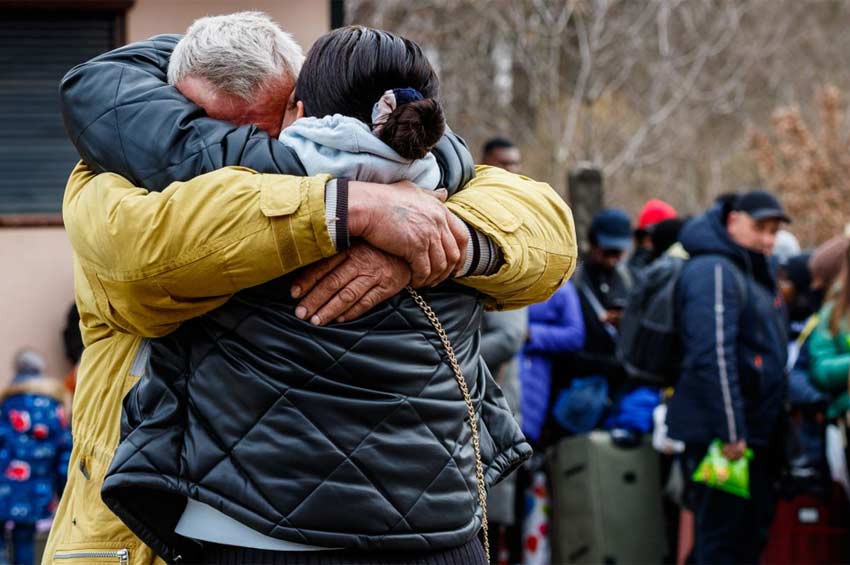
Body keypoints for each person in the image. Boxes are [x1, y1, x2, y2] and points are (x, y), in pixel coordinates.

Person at [48, 15, 577, 565]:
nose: (266, 148)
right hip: (147, 534)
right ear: (177, 112)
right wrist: (349, 210)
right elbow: (141, 267)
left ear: (303, 104)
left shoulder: (410, 174)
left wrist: (436, 244)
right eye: (225, 131)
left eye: (274, 122)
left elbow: (551, 237)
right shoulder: (115, 180)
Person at [667, 190, 790, 564]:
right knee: (722, 542)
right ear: (733, 220)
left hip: (748, 435)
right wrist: (732, 430)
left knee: (736, 539)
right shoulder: (714, 270)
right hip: (725, 440)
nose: (768, 240)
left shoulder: (745, 267)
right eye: (760, 228)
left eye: (773, 231)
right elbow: (713, 354)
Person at [0, 350, 70, 565]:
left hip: (2, 484)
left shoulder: (6, 403)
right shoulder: (56, 407)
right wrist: (63, 491)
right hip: (36, 489)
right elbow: (64, 453)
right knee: (25, 541)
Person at [568, 209, 634, 388]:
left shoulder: (628, 279)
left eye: (619, 252)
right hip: (579, 379)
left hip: (619, 380)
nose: (614, 258)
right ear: (594, 244)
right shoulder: (575, 280)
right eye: (609, 251)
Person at [628, 199, 677, 278]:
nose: (648, 245)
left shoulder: (674, 270)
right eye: (644, 239)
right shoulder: (627, 271)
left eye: (655, 240)